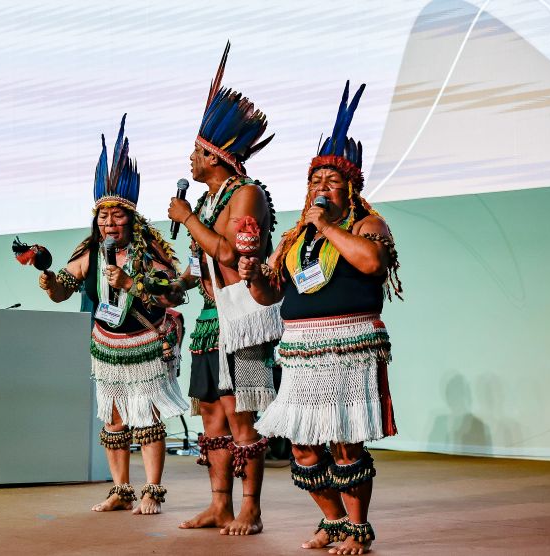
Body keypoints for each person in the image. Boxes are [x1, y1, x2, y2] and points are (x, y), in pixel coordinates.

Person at [239, 82, 403, 554]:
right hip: (300, 351)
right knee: (303, 447)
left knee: (345, 444)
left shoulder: (365, 226)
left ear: (350, 189)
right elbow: (273, 294)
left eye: (332, 182)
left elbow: (371, 264)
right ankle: (332, 521)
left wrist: (327, 224)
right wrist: (254, 276)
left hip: (349, 347)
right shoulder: (296, 238)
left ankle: (359, 528)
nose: (321, 189)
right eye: (316, 182)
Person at [37, 115, 188, 515]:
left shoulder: (150, 254)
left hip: (145, 344)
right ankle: (120, 489)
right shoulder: (88, 253)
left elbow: (172, 292)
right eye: (103, 216)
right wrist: (51, 283)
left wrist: (129, 284)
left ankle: (152, 489)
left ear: (132, 218)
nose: (108, 222)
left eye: (117, 215)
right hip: (107, 347)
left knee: (148, 418)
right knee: (115, 419)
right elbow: (61, 291)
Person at [168, 42, 279, 536]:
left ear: (216, 156)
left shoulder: (246, 194)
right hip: (214, 321)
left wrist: (187, 217)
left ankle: (251, 508)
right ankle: (220, 505)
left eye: (196, 152)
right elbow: (211, 257)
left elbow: (233, 255)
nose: (190, 160)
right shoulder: (216, 198)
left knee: (243, 419)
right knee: (212, 415)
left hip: (246, 323)